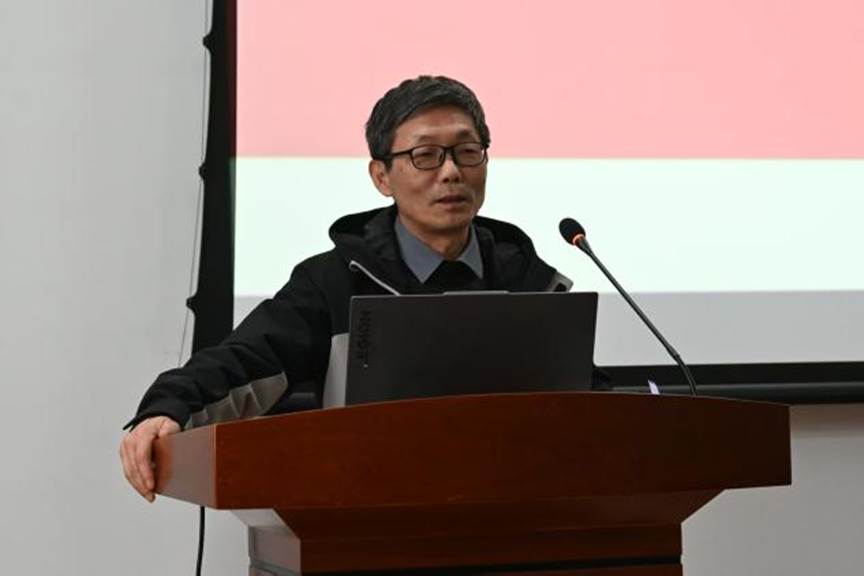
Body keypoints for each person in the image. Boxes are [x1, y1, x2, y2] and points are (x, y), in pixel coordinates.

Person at [119, 75, 576, 501]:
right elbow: (247, 358)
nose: (452, 171)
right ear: (381, 177)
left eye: (467, 151)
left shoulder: (527, 280)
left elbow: (578, 399)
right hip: (370, 516)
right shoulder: (334, 280)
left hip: (515, 513)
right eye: (426, 155)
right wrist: (168, 407)